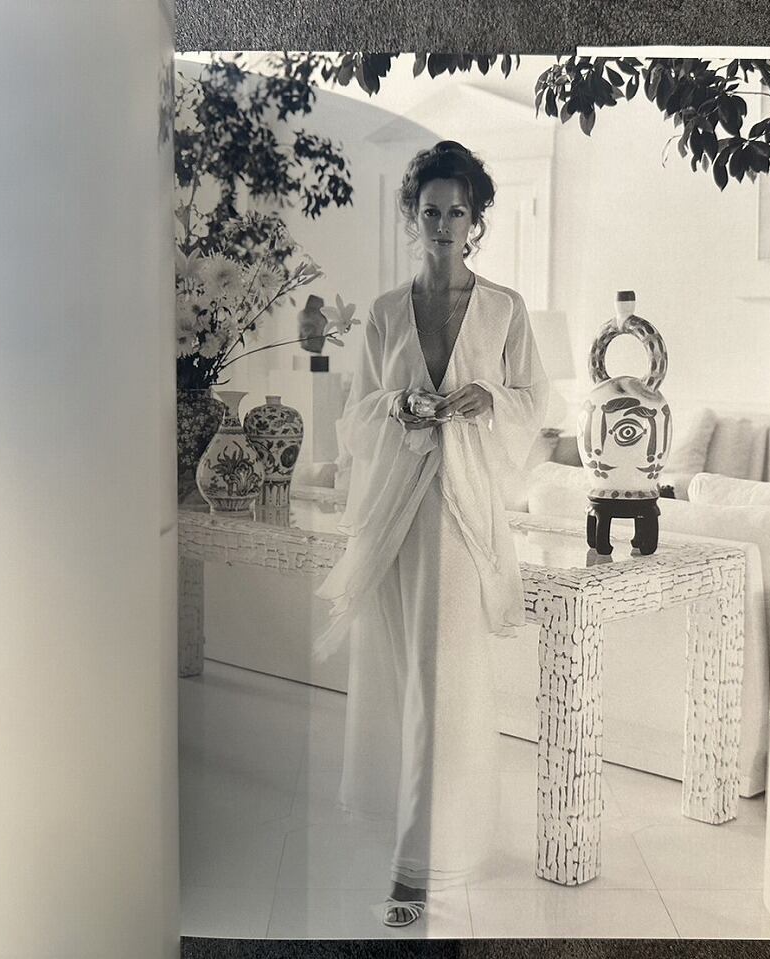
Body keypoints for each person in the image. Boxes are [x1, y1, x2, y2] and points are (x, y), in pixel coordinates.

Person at [314, 141, 549, 927]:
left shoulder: (505, 308)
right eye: (430, 212)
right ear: (411, 217)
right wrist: (397, 406)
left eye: (457, 212)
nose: (443, 225)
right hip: (399, 514)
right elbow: (355, 414)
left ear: (475, 220)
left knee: (447, 678)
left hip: (463, 511)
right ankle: (412, 838)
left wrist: (489, 398)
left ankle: (424, 862)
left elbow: (533, 402)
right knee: (410, 674)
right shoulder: (386, 312)